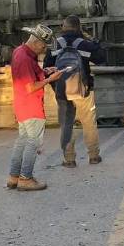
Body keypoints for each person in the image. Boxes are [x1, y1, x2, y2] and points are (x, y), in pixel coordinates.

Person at [7, 25, 63, 191]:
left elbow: (30, 75)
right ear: (37, 42)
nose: (44, 49)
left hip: (21, 105)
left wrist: (45, 71)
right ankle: (26, 178)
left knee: (22, 141)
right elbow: (30, 87)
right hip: (32, 106)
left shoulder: (19, 51)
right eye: (43, 46)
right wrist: (50, 79)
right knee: (33, 142)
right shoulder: (25, 58)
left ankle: (14, 177)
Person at [46, 15, 105, 167]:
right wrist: (94, 43)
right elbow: (101, 58)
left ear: (63, 27)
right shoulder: (84, 43)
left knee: (66, 125)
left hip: (62, 91)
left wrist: (56, 88)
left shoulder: (55, 45)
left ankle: (69, 159)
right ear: (79, 27)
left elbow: (46, 69)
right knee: (89, 123)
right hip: (84, 90)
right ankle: (93, 156)